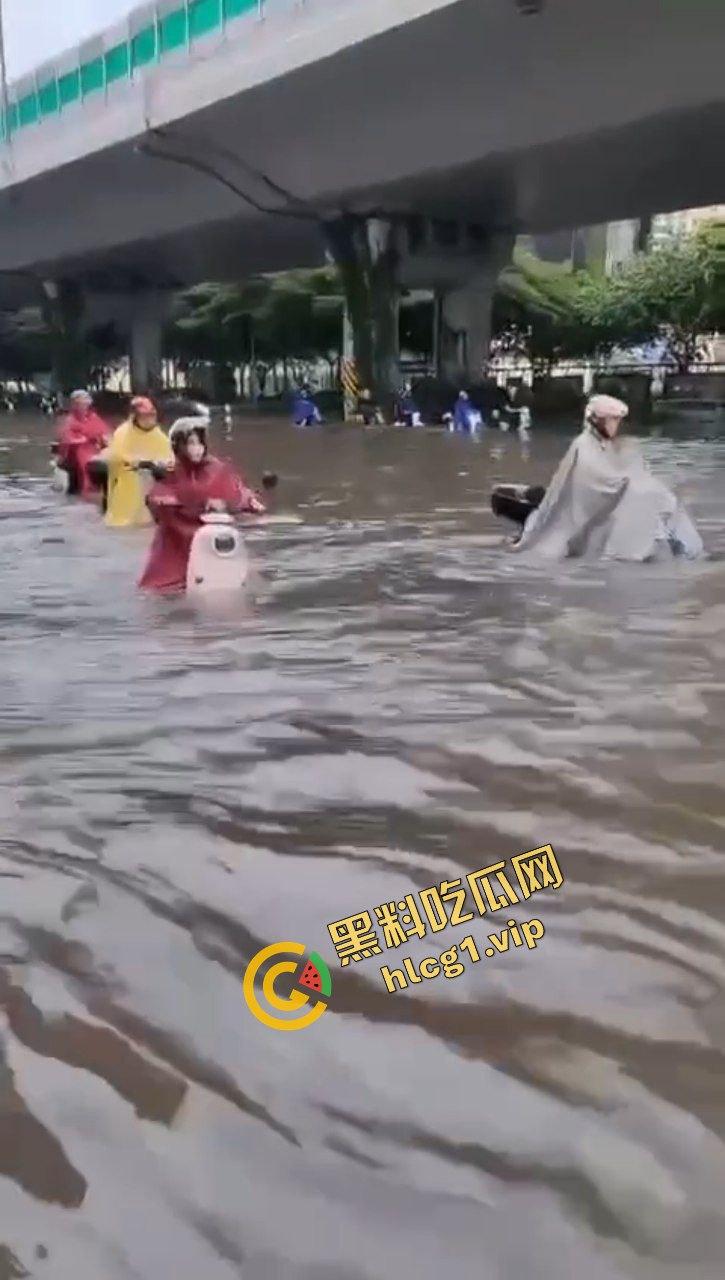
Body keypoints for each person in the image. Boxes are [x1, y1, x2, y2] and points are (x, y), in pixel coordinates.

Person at [514, 394, 703, 561]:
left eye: (617, 420)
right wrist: (628, 480)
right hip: (591, 512)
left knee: (665, 500)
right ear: (597, 420)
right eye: (611, 420)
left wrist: (639, 479)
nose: (615, 425)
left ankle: (687, 550)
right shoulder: (584, 445)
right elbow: (598, 481)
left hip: (611, 506)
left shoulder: (607, 445)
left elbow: (627, 470)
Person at [139, 418, 266, 593]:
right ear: (179, 446)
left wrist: (249, 502)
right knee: (164, 590)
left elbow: (238, 491)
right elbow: (158, 500)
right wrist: (195, 504)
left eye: (200, 443)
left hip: (212, 543)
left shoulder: (216, 468)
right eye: (190, 443)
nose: (196, 448)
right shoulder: (170, 472)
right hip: (176, 546)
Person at [105, 396, 173, 528]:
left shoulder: (158, 434)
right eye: (145, 416)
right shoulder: (123, 432)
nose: (149, 419)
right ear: (135, 416)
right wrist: (139, 462)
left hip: (152, 475)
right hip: (127, 478)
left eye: (152, 415)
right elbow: (117, 456)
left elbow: (169, 454)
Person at [55, 390, 109, 498]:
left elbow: (103, 433)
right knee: (82, 460)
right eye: (79, 402)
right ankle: (85, 492)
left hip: (94, 450)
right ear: (74, 404)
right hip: (75, 453)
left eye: (85, 402)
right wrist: (84, 440)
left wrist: (105, 440)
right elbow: (67, 439)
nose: (83, 405)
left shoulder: (93, 417)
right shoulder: (70, 420)